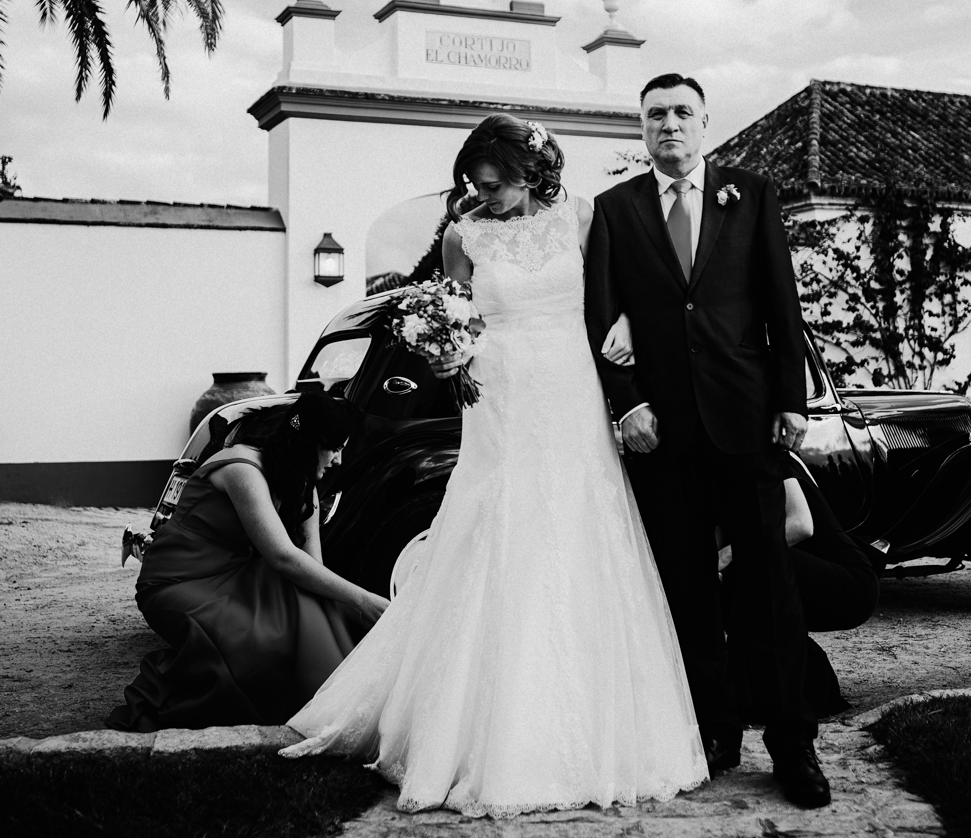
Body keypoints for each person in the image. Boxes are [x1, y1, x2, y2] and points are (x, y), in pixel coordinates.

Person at [283, 115, 708, 815]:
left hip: (570, 390)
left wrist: (629, 343)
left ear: (530, 170)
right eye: (475, 185)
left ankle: (587, 729)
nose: (487, 196)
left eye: (497, 183)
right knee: (497, 528)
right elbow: (458, 315)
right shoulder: (462, 234)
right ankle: (474, 726)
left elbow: (615, 297)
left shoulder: (582, 215)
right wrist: (448, 356)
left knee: (576, 529)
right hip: (499, 399)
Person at [586, 72, 831, 809]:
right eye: (655, 114)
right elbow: (601, 318)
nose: (668, 124)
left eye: (681, 113)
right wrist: (626, 404)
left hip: (745, 421)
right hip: (663, 433)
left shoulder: (751, 194)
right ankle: (714, 732)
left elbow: (780, 302)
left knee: (770, 590)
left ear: (704, 123)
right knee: (687, 590)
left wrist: (792, 397)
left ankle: (794, 745)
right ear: (642, 128)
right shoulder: (613, 210)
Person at [106, 391, 388, 731]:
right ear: (310, 440)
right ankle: (167, 689)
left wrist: (363, 617)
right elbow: (282, 557)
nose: (339, 460)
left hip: (232, 577)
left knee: (304, 604)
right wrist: (363, 599)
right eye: (335, 447)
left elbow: (312, 566)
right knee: (259, 645)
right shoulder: (243, 468)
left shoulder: (304, 483)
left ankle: (329, 700)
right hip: (177, 582)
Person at [724, 457, 879, 722]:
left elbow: (801, 525)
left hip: (849, 583)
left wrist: (728, 555)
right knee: (733, 579)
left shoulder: (768, 455)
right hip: (806, 576)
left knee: (748, 565)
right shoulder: (720, 468)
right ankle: (763, 690)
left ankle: (806, 690)